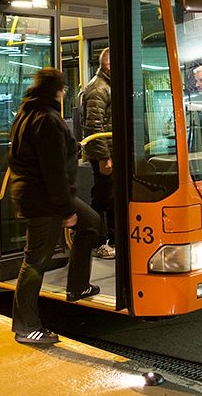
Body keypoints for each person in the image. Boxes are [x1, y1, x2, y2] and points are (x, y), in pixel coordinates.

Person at [8, 67, 102, 345]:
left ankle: (78, 285)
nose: (64, 92)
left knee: (92, 223)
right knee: (34, 262)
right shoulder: (45, 119)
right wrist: (66, 210)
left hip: (41, 195)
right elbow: (54, 171)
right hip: (45, 199)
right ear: (56, 90)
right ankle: (26, 327)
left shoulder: (27, 113)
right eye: (62, 87)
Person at [82, 47, 115, 260]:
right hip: (105, 154)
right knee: (104, 198)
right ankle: (97, 241)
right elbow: (94, 126)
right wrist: (104, 157)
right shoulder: (98, 89)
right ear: (108, 66)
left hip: (112, 151)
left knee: (111, 199)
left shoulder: (110, 85)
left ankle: (112, 239)